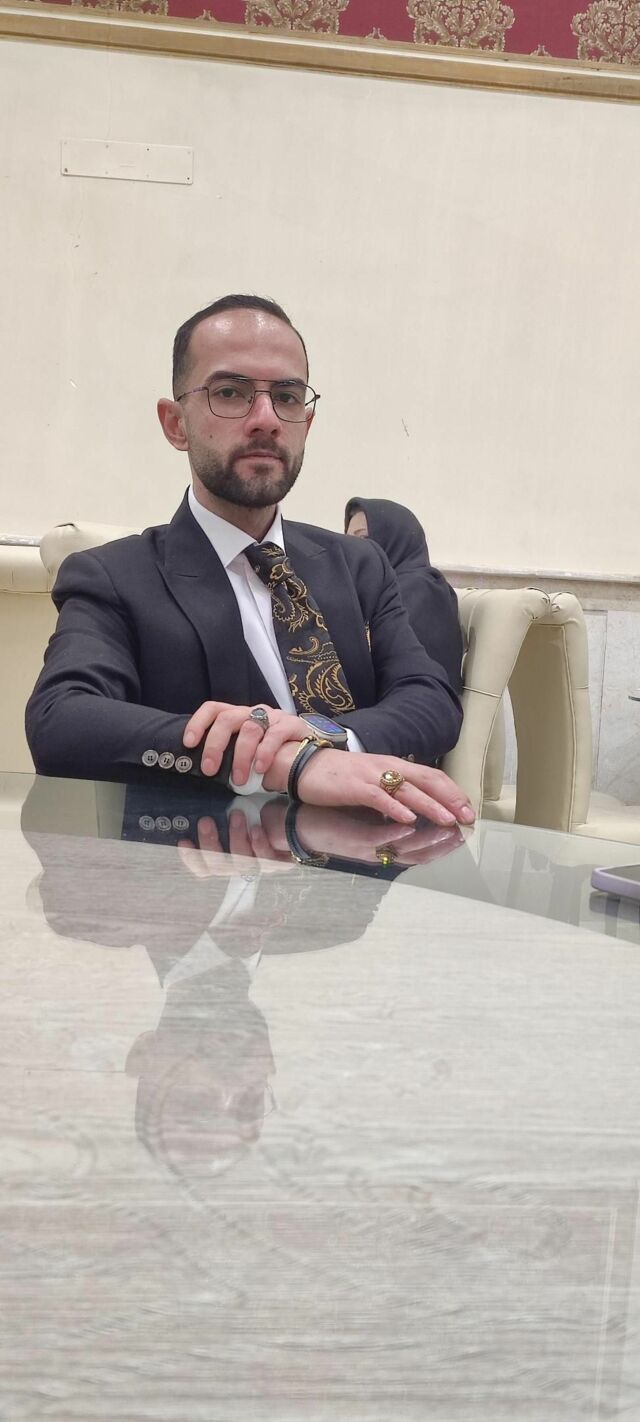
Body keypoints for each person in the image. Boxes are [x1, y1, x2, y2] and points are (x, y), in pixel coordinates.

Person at [26, 294, 475, 830]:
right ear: (175, 424)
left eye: (286, 396)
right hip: (199, 866)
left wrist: (331, 739)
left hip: (364, 854)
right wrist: (279, 762)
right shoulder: (115, 576)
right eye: (230, 393)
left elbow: (430, 698)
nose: (266, 420)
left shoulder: (360, 565)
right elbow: (61, 721)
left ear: (306, 421)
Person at [344, 497, 463, 692]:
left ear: (396, 540)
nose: (351, 548)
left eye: (363, 538)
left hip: (417, 703)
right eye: (348, 540)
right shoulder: (377, 589)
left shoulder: (421, 588)